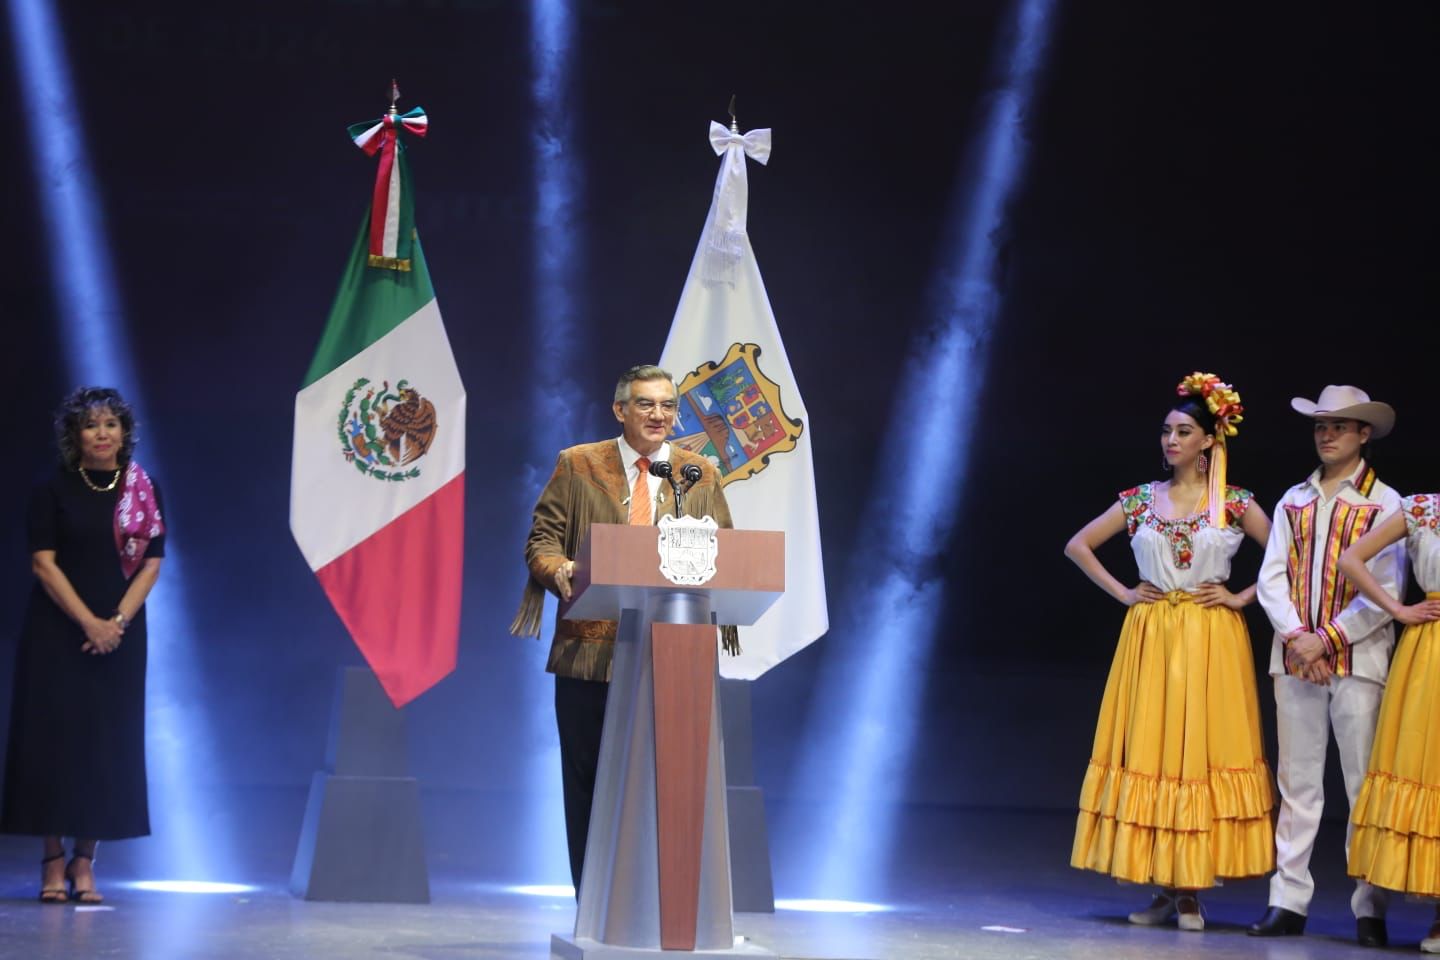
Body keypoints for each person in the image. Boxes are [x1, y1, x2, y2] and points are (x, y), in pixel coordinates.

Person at [509, 364, 737, 893]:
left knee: (671, 784)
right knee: (589, 783)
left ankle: (663, 904)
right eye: (645, 404)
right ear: (620, 410)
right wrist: (559, 570)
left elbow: (726, 552)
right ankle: (592, 901)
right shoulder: (579, 463)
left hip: (672, 653)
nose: (659, 415)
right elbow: (542, 542)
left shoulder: (698, 472)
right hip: (590, 651)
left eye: (667, 405)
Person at [1067, 372, 1274, 931]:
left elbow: (1290, 557)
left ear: (1209, 439)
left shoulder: (1233, 501)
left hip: (1210, 638)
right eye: (1166, 431)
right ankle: (1167, 887)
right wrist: (1125, 593)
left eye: (1183, 431)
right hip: (1153, 634)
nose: (1171, 440)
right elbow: (1078, 545)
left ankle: (1189, 890)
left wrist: (1241, 597)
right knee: (1157, 752)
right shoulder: (1141, 499)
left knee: (1199, 753)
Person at [1248, 385, 1404, 947]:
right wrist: (1299, 639)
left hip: (1358, 660)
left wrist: (1327, 640)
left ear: (1364, 433)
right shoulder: (1295, 499)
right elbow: (1271, 577)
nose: (1327, 434)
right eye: (1321, 426)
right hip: (1296, 660)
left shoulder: (1385, 503)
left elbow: (1385, 590)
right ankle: (1287, 901)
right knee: (1298, 783)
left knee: (1363, 784)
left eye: (1339, 426)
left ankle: (1370, 907)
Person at [1, 387, 166, 903]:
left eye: (110, 423)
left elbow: (152, 564)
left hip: (120, 634)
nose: (101, 433)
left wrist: (114, 623)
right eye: (91, 424)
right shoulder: (52, 489)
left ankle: (85, 862)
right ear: (75, 434)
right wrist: (89, 623)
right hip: (58, 629)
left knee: (105, 746)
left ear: (124, 432)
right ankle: (52, 861)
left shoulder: (142, 489)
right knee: (54, 743)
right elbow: (43, 564)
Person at [1339, 490, 1440, 953]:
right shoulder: (1423, 509)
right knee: (1429, 769)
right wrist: (1399, 610)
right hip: (1430, 652)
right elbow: (1351, 559)